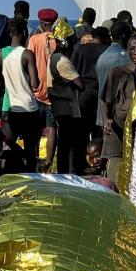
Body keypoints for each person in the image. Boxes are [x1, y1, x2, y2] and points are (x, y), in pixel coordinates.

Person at [0, 17, 41, 173]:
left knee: (8, 145)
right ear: (24, 32)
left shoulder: (0, 54)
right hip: (29, 108)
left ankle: (7, 175)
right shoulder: (27, 54)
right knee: (30, 146)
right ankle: (32, 177)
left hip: (9, 106)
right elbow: (35, 83)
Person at [100, 35, 136, 184]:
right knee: (115, 173)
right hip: (118, 131)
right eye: (132, 49)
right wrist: (106, 119)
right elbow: (105, 100)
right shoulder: (117, 73)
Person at [47, 22, 85, 174]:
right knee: (67, 145)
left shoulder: (53, 57)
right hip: (67, 107)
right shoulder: (63, 61)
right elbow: (79, 83)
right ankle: (68, 173)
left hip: (58, 104)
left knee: (63, 142)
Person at [28, 9, 58, 168]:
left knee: (35, 130)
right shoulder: (58, 40)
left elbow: (28, 63)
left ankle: (34, 160)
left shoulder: (34, 39)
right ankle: (48, 162)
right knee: (52, 129)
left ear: (41, 23)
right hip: (54, 93)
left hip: (37, 91)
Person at [71, 26, 109, 143]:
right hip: (100, 92)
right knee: (97, 129)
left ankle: (82, 158)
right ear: (105, 38)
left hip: (83, 92)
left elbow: (71, 70)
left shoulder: (80, 49)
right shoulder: (106, 50)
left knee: (81, 130)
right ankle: (97, 154)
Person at [95, 21, 133, 128]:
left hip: (102, 115)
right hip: (115, 116)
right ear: (124, 36)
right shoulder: (124, 58)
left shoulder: (102, 56)